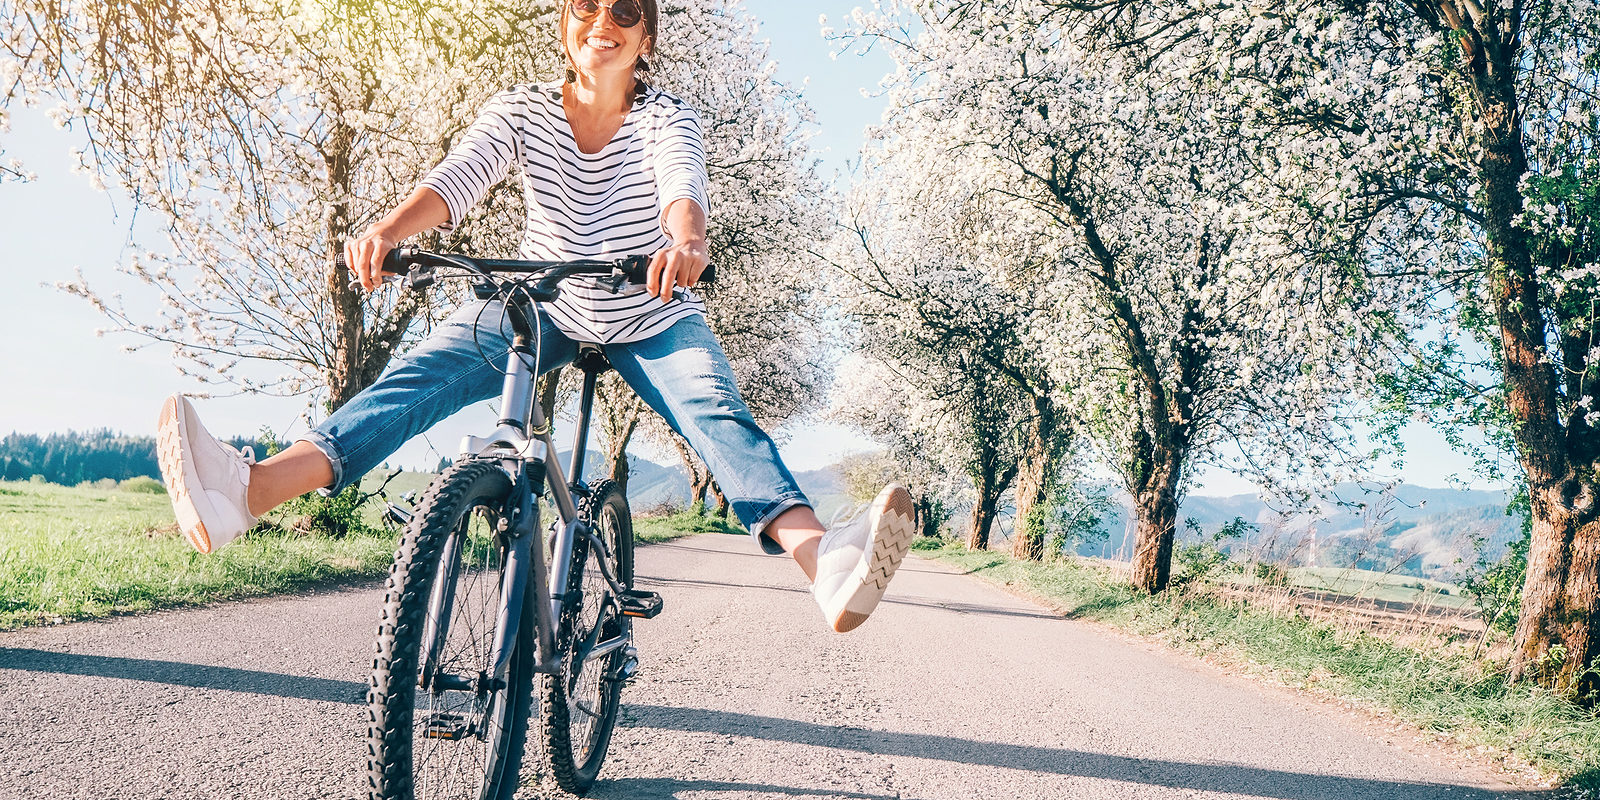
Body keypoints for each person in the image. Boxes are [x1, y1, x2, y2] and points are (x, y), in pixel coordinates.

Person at [154, 0, 912, 633]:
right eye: (586, 6)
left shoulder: (666, 117)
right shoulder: (522, 111)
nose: (602, 21)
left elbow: (683, 185)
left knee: (717, 416)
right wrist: (390, 230)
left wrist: (687, 241)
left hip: (650, 308)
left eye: (624, 12)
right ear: (565, 24)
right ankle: (245, 493)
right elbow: (460, 177)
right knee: (417, 382)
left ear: (645, 37)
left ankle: (827, 565)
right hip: (542, 303)